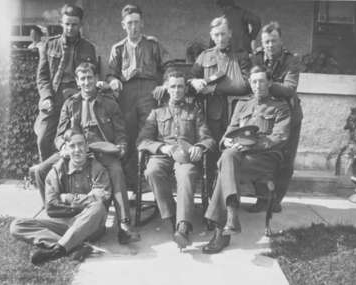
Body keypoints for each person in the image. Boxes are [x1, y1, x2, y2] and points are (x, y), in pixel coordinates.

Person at [34, 62, 140, 245]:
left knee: (116, 171)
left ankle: (124, 225)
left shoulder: (109, 103)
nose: (87, 82)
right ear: (77, 81)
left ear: (96, 79)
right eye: (82, 78)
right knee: (41, 170)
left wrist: (121, 148)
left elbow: (121, 133)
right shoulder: (70, 104)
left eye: (90, 77)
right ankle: (56, 215)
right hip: (75, 149)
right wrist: (62, 147)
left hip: (101, 150)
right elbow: (59, 135)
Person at [202, 65, 291, 254]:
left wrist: (252, 145)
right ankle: (229, 218)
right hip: (238, 157)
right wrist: (226, 141)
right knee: (227, 156)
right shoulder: (242, 105)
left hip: (265, 158)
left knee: (225, 167)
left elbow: (279, 138)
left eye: (261, 81)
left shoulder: (281, 107)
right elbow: (230, 130)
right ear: (249, 84)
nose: (257, 85)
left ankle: (223, 230)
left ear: (269, 82)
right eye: (254, 81)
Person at [137, 70, 215, 249]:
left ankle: (183, 227)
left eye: (180, 86)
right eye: (173, 86)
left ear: (185, 89)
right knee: (152, 171)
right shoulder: (157, 113)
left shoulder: (195, 112)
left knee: (186, 174)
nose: (177, 90)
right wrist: (161, 147)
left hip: (185, 157)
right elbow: (142, 140)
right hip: (162, 155)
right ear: (167, 88)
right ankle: (171, 217)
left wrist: (200, 147)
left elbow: (208, 138)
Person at [10, 128, 111, 265]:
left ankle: (59, 249)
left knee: (98, 208)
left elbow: (100, 198)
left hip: (90, 226)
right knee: (17, 225)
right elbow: (51, 207)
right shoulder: (57, 171)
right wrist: (82, 203)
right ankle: (74, 246)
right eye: (72, 146)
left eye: (81, 144)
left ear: (87, 147)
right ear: (66, 149)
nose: (77, 150)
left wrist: (67, 198)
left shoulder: (98, 169)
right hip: (65, 224)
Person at [107, 4, 169, 192]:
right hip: (127, 93)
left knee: (148, 134)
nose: (133, 27)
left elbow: (168, 67)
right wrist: (113, 81)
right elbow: (110, 74)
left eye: (136, 22)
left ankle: (150, 179)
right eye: (129, 23)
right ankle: (132, 182)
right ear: (123, 25)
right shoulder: (117, 48)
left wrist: (164, 84)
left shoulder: (153, 44)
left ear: (142, 24)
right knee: (128, 133)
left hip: (149, 92)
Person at [190, 16, 251, 189]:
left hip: (236, 115)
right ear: (211, 35)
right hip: (211, 114)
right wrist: (194, 82)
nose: (220, 38)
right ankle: (210, 196)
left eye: (223, 34)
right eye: (216, 35)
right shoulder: (204, 56)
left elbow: (245, 85)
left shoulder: (241, 55)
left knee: (231, 155)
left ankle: (229, 196)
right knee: (211, 155)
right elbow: (190, 78)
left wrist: (214, 89)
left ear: (230, 33)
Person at [250, 21, 303, 212]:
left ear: (281, 41)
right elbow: (251, 79)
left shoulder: (292, 60)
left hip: (289, 114)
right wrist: (261, 84)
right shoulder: (256, 57)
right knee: (257, 153)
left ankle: (275, 201)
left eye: (273, 41)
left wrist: (263, 84)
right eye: (266, 42)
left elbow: (289, 89)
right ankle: (262, 199)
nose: (270, 46)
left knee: (285, 160)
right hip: (264, 114)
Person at [35, 4, 97, 161]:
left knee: (73, 139)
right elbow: (42, 77)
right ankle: (49, 177)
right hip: (54, 96)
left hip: (76, 98)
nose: (70, 28)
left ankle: (70, 178)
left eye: (74, 24)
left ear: (80, 25)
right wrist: (46, 97)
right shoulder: (49, 45)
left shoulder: (88, 48)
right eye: (67, 24)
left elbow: (92, 76)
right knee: (43, 139)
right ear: (61, 23)